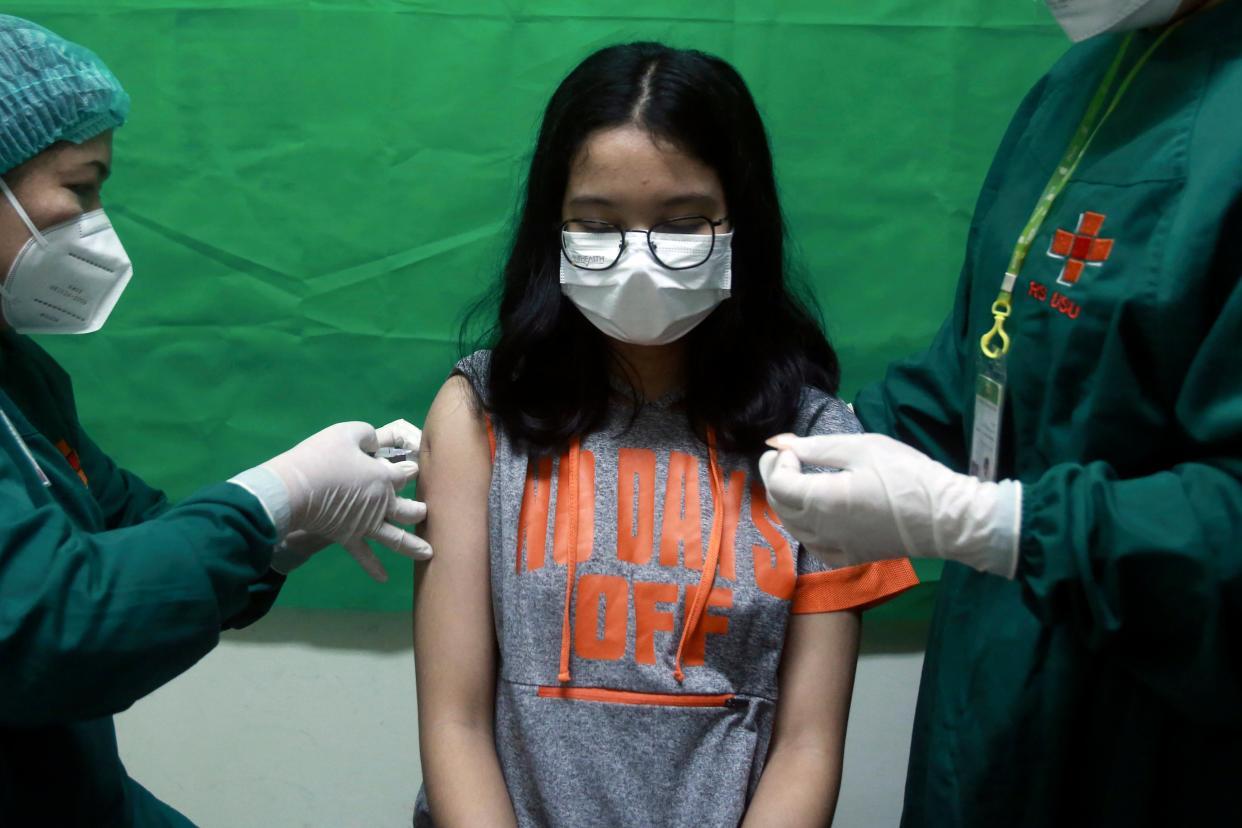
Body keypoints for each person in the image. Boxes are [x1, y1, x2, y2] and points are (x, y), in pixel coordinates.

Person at [412, 42, 917, 828]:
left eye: (681, 224)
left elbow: (808, 746)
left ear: (739, 222)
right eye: (597, 223)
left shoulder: (820, 442)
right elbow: (456, 720)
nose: (640, 259)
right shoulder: (481, 412)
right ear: (555, 228)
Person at [759, 0, 1241, 824]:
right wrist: (805, 438)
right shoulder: (1081, 83)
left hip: (1155, 726)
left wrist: (990, 523)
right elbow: (989, 360)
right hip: (992, 691)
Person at [0, 15, 430, 826]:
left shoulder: (20, 376)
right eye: (80, 187)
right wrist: (277, 493)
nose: (97, 225)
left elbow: (131, 539)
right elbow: (55, 625)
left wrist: (282, 533)